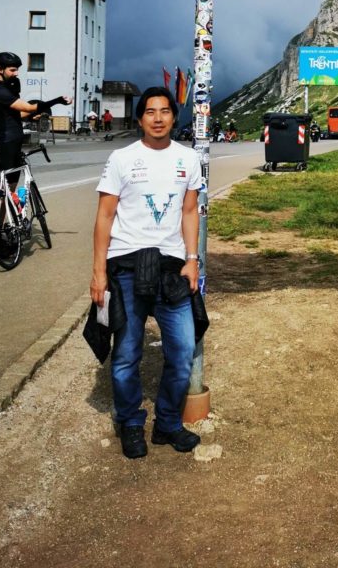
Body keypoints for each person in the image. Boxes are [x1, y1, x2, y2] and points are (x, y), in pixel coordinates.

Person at [89, 87, 204, 459]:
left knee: (183, 348)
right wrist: (98, 273)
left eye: (165, 111)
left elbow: (189, 212)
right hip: (125, 266)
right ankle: (132, 423)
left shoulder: (188, 159)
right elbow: (105, 216)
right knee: (125, 354)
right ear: (140, 118)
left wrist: (192, 259)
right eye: (150, 112)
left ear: (174, 116)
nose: (157, 118)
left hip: (172, 268)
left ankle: (168, 425)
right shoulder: (121, 158)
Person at [0, 52, 71, 258]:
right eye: (12, 70)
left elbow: (20, 113)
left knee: (7, 194)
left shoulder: (6, 89)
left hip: (11, 145)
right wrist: (57, 100)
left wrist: (33, 113)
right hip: (4, 146)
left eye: (17, 70)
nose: (16, 74)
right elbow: (27, 106)